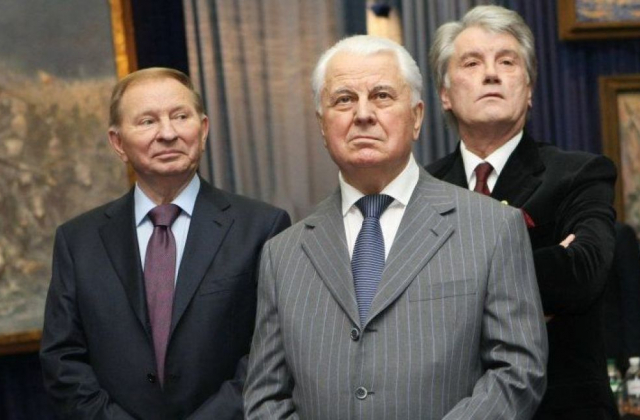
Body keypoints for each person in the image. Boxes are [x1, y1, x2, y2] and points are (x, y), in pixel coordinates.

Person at [243, 35, 547, 419]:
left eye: (382, 96)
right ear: (322, 125)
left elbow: (517, 371)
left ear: (416, 117)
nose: (363, 114)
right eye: (344, 100)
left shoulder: (493, 228)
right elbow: (266, 397)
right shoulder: (282, 254)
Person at [39, 67, 291, 420]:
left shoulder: (262, 228)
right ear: (117, 143)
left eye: (180, 116)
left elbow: (270, 353)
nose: (168, 133)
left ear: (203, 129)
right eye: (147, 121)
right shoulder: (78, 240)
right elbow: (62, 360)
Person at [426, 5, 618, 419]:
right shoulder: (421, 190)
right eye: (472, 63)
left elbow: (583, 273)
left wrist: (447, 289)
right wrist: (540, 272)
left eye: (507, 62)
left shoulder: (579, 173)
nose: (491, 74)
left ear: (529, 90)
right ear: (445, 94)